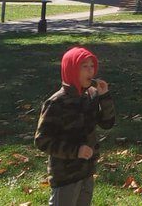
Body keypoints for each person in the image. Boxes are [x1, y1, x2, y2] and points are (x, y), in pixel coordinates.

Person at [35, 46, 116, 206]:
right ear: (71, 70)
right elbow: (42, 140)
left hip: (86, 170)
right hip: (65, 174)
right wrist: (75, 151)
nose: (90, 71)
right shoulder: (57, 102)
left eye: (92, 66)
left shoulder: (92, 94)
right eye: (84, 67)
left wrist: (104, 96)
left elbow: (107, 123)